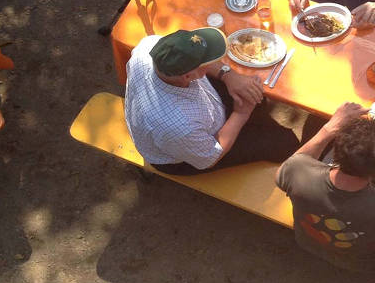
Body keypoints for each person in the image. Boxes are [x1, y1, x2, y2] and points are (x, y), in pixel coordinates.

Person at [276, 103, 375, 271]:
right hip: (364, 262)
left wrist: (329, 128)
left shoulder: (296, 171)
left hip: (308, 241)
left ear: (335, 149)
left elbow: (290, 167)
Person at [124, 28, 298, 175]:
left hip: (197, 116)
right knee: (287, 143)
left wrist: (229, 75)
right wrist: (241, 114)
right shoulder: (178, 126)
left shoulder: (150, 46)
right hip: (188, 156)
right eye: (207, 62)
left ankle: (251, 124)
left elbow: (197, 63)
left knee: (254, 96)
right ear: (188, 76)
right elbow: (211, 156)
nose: (215, 62)